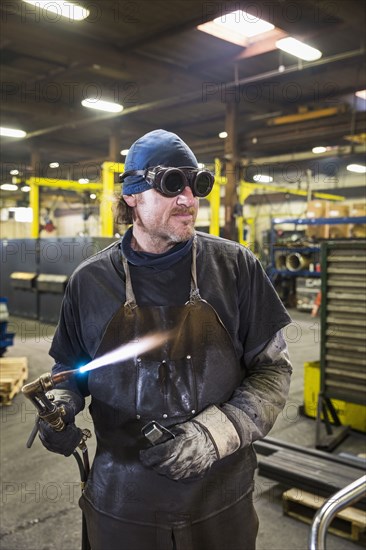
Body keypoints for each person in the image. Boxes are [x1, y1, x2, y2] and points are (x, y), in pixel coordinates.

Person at [38, 129, 292, 550]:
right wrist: (61, 407)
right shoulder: (90, 281)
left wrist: (216, 434)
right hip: (123, 504)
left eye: (196, 185)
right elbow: (68, 370)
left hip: (221, 501)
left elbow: (272, 371)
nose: (189, 199)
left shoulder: (236, 268)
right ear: (133, 195)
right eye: (172, 184)